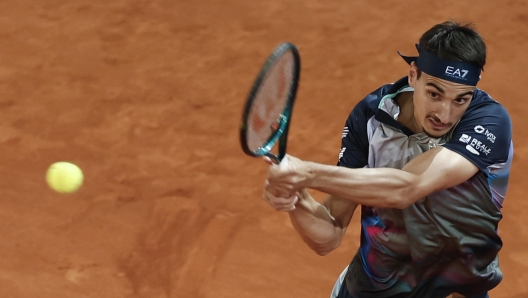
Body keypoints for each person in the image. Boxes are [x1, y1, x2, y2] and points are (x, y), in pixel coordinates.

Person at [262, 20, 513, 298]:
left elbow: (408, 187)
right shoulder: (371, 116)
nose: (445, 114)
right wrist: (296, 197)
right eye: (434, 94)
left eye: (460, 100)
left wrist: (308, 173)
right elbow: (329, 234)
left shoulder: (488, 123)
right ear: (413, 75)